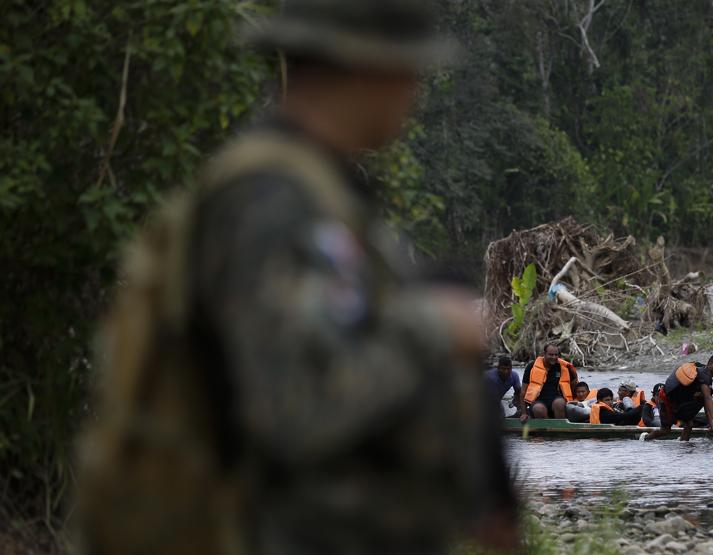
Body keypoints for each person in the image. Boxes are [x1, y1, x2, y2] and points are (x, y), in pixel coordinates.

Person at [74, 2, 517, 552]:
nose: (413, 93)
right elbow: (295, 411)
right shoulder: (271, 203)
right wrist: (434, 326)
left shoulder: (317, 192)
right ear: (362, 71)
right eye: (407, 73)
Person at [643, 355, 713, 441]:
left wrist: (712, 421)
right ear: (710, 364)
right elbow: (707, 398)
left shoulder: (702, 371)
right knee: (665, 430)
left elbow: (706, 400)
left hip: (678, 402)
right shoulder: (704, 375)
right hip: (665, 400)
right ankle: (645, 438)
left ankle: (683, 445)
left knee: (689, 425)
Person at [521, 344, 579, 421]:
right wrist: (524, 413)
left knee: (559, 403)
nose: (554, 357)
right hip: (538, 401)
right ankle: (548, 430)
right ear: (544, 354)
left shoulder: (563, 367)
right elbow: (523, 391)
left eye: (556, 355)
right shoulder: (531, 366)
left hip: (556, 399)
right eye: (551, 355)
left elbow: (574, 385)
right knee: (539, 409)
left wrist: (576, 400)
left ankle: (560, 428)